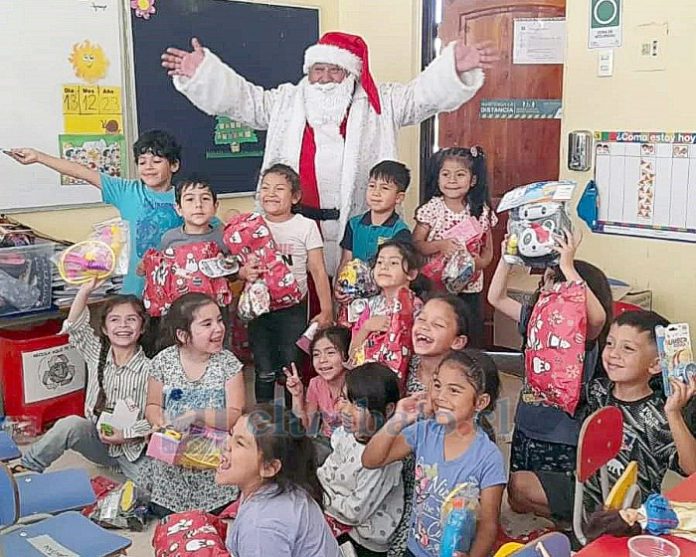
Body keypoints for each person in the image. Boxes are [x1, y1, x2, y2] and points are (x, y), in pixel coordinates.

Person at [161, 32, 498, 276]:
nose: (324, 79)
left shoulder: (380, 103)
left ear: (350, 73)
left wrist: (453, 69)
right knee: (296, 295)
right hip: (296, 224)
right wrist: (204, 75)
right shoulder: (287, 101)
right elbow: (243, 100)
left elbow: (422, 97)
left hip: (358, 225)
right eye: (317, 70)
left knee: (358, 296)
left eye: (334, 71)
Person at [487, 232, 613, 522]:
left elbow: (597, 318)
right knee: (517, 497)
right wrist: (507, 257)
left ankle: (576, 525)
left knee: (551, 497)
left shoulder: (582, 334)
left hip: (561, 436)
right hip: (526, 425)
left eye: (559, 285)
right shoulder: (536, 320)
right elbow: (496, 297)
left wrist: (568, 268)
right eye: (545, 283)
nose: (549, 290)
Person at [362, 350, 506, 557]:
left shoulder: (488, 457)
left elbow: (488, 526)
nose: (440, 396)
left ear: (480, 402)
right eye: (437, 385)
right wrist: (397, 420)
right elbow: (371, 460)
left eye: (454, 390)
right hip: (414, 550)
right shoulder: (424, 432)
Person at [7, 130, 183, 295]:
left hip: (175, 289)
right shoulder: (126, 191)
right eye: (142, 162)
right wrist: (38, 157)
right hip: (134, 290)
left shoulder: (186, 197)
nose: (148, 167)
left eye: (157, 161)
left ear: (174, 165)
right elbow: (80, 171)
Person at [18, 278, 150, 481]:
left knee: (154, 493)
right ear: (105, 329)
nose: (123, 326)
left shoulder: (151, 369)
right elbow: (76, 326)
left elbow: (158, 419)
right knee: (70, 424)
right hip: (97, 440)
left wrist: (128, 434)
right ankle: (26, 468)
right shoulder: (96, 354)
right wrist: (84, 291)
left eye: (131, 319)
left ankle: (120, 472)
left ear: (142, 328)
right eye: (115, 320)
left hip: (132, 448)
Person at [579, 311, 696, 513]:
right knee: (521, 486)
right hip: (585, 495)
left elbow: (691, 469)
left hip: (630, 513)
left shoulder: (659, 416)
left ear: (656, 364)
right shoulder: (597, 390)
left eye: (628, 348)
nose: (614, 354)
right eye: (610, 343)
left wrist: (674, 413)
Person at [143, 293, 245, 516]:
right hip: (171, 469)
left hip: (214, 471)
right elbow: (152, 404)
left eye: (219, 320)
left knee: (213, 521)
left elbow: (235, 415)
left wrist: (197, 415)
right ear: (183, 335)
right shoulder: (162, 361)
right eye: (207, 324)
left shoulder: (228, 364)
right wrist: (158, 422)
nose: (218, 329)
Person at [388, 294, 472, 557]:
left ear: (458, 341)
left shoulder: (465, 385)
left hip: (434, 484)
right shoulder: (402, 365)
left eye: (437, 324)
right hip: (394, 472)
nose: (424, 327)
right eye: (421, 319)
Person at [244, 164, 333, 403]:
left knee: (291, 370)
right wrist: (244, 272)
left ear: (295, 196)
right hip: (259, 311)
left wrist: (326, 310)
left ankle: (292, 426)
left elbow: (317, 269)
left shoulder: (305, 226)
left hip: (293, 311)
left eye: (279, 188)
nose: (271, 193)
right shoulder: (252, 225)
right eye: (265, 188)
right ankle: (264, 426)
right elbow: (238, 264)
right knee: (263, 370)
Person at [216, 405, 341, 557]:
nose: (225, 445)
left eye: (240, 443)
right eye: (231, 433)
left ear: (270, 467)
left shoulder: (261, 528)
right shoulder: (280, 483)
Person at [318, 362, 404, 556]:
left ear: (388, 410)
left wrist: (319, 497)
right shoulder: (345, 434)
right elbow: (327, 471)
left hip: (364, 541)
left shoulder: (385, 459)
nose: (346, 411)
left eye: (358, 405)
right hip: (334, 515)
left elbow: (354, 513)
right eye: (344, 399)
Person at [413, 147, 496, 347]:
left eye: (460, 175)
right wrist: (440, 245)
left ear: (472, 180)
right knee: (438, 330)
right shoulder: (433, 208)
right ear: (438, 178)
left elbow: (488, 251)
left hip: (470, 286)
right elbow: (416, 244)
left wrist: (479, 263)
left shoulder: (480, 211)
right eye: (446, 174)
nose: (452, 180)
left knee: (469, 331)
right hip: (436, 285)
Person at [349, 239, 422, 384]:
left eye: (393, 263)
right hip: (371, 383)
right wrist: (367, 327)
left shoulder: (418, 309)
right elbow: (352, 352)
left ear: (412, 274)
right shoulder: (370, 306)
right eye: (380, 262)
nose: (384, 267)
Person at [337, 160, 412, 273]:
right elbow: (346, 262)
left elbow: (399, 270)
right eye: (372, 186)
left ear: (399, 198)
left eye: (384, 188)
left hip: (384, 288)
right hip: (353, 288)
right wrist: (339, 287)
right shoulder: (354, 224)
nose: (376, 192)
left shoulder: (400, 232)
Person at [285, 326, 352, 438]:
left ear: (346, 354)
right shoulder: (315, 384)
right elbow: (303, 427)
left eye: (330, 353)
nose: (322, 360)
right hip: (327, 441)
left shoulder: (357, 382)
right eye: (316, 354)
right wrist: (297, 395)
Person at [159, 176, 225, 251]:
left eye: (205, 198)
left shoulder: (225, 238)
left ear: (215, 207)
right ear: (179, 209)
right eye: (190, 199)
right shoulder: (169, 239)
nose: (198, 204)